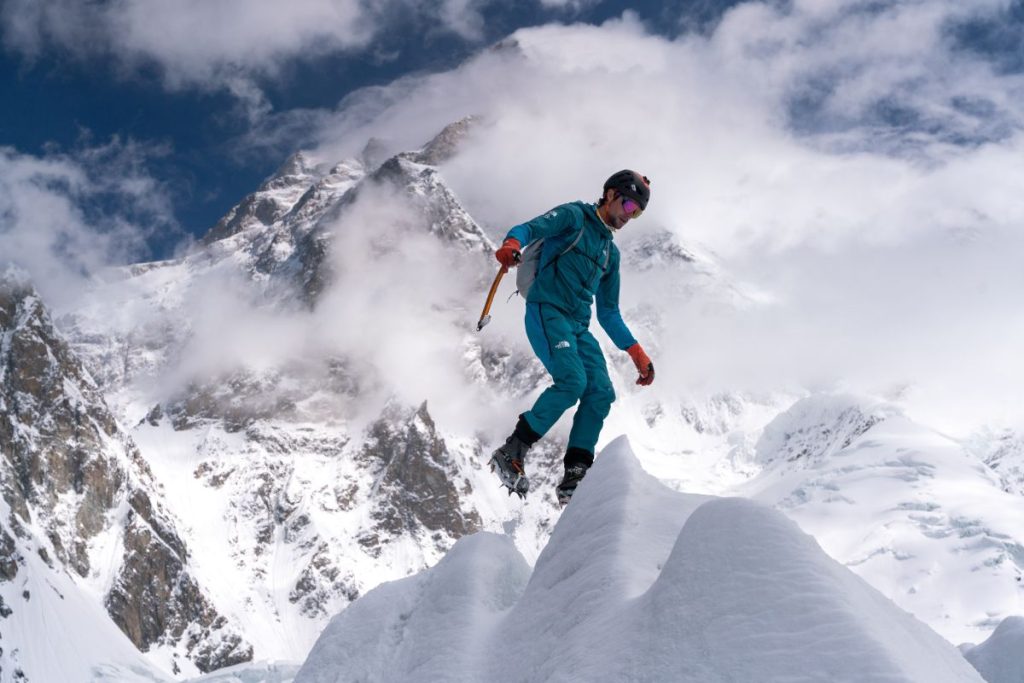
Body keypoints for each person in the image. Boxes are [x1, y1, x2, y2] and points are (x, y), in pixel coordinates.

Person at [490, 170, 655, 505]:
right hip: (547, 312)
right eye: (626, 203)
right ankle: (512, 451)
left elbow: (608, 312)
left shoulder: (611, 254)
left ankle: (575, 477)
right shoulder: (573, 217)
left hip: (578, 327)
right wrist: (512, 243)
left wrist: (636, 352)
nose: (628, 214)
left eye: (636, 211)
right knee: (572, 381)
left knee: (601, 392)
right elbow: (530, 228)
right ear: (609, 194)